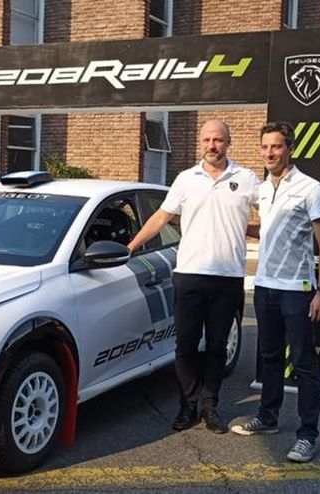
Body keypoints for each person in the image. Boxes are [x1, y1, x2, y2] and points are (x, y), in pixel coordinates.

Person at [127, 120, 259, 434]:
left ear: (228, 142)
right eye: (207, 140)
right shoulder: (186, 179)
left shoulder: (246, 178)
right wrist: (131, 246)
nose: (212, 145)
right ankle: (187, 406)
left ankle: (210, 407)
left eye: (218, 140)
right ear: (201, 142)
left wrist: (257, 231)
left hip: (227, 277)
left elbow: (269, 216)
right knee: (185, 345)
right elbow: (161, 217)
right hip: (188, 275)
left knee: (216, 346)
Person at [230, 122, 320, 463]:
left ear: (290, 148)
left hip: (297, 290)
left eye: (275, 146)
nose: (269, 153)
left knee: (304, 363)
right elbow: (270, 230)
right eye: (264, 147)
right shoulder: (262, 190)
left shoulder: (310, 188)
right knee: (269, 357)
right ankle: (268, 417)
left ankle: (308, 435)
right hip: (265, 287)